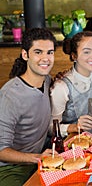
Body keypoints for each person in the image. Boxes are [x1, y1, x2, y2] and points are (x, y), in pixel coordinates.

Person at [0, 28, 57, 185]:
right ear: (25, 55)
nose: (45, 58)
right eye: (38, 52)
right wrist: (36, 158)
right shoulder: (9, 96)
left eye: (50, 52)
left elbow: (39, 121)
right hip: (10, 168)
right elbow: (1, 150)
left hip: (39, 159)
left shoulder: (47, 82)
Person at [50, 31, 92, 138]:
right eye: (86, 52)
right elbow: (50, 127)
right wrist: (74, 127)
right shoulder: (61, 87)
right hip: (69, 145)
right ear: (74, 56)